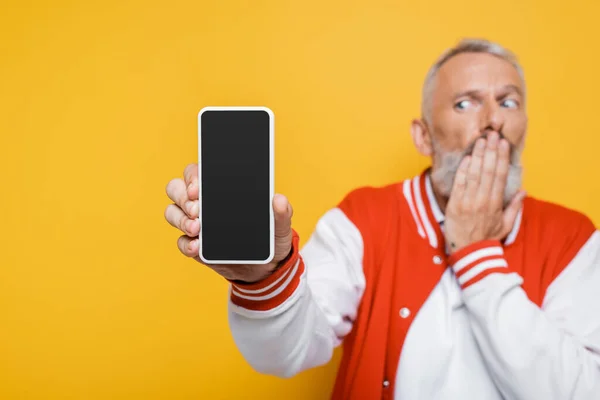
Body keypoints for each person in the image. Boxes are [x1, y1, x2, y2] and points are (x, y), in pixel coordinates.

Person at [164, 39, 600, 399]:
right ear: (423, 135)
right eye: (466, 104)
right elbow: (283, 356)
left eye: (508, 102)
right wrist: (265, 276)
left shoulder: (573, 238)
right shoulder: (364, 219)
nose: (492, 123)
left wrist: (475, 254)